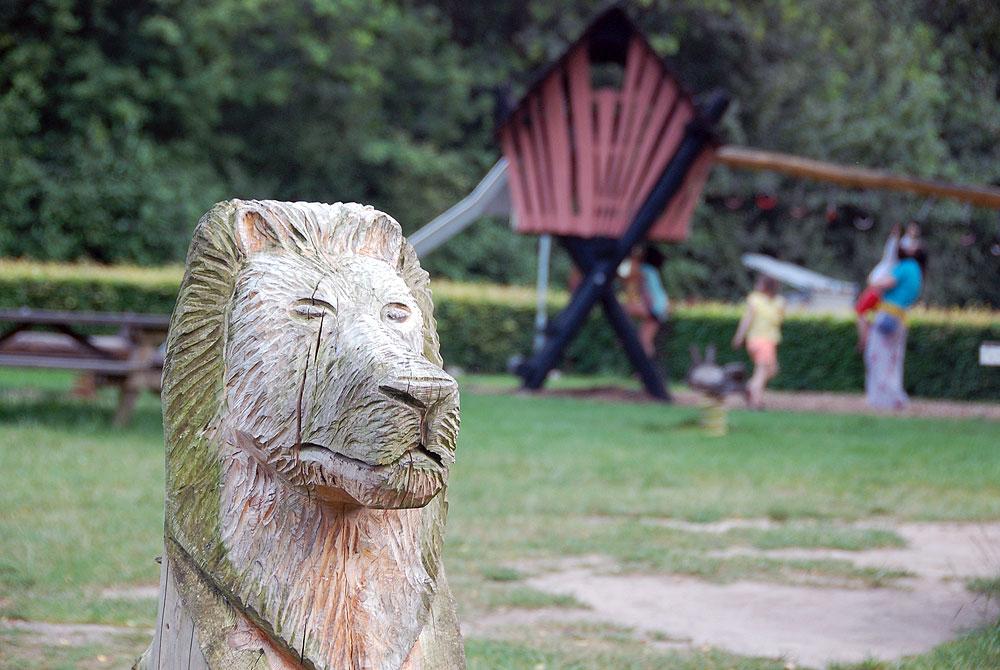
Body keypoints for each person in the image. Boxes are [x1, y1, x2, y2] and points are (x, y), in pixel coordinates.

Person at [863, 243, 925, 409]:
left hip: (887, 315)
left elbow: (879, 283)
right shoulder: (917, 270)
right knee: (893, 360)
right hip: (901, 317)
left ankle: (887, 399)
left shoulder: (905, 267)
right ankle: (891, 398)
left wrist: (876, 276)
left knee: (877, 357)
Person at [856, 222, 920, 347]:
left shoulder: (899, 260)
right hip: (884, 295)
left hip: (880, 292)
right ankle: (866, 337)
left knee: (861, 311)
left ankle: (863, 340)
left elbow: (895, 249)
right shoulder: (902, 257)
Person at [732, 275, 785, 409]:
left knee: (772, 370)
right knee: (761, 372)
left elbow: (780, 319)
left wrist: (740, 337)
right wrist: (739, 336)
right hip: (760, 340)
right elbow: (747, 319)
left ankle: (750, 387)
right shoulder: (755, 299)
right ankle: (756, 402)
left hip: (768, 341)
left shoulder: (778, 301)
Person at [621, 244, 669, 357]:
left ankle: (623, 332)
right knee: (644, 340)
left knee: (621, 308)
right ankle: (646, 369)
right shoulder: (652, 271)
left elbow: (625, 275)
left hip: (655, 306)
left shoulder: (643, 270)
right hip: (662, 307)